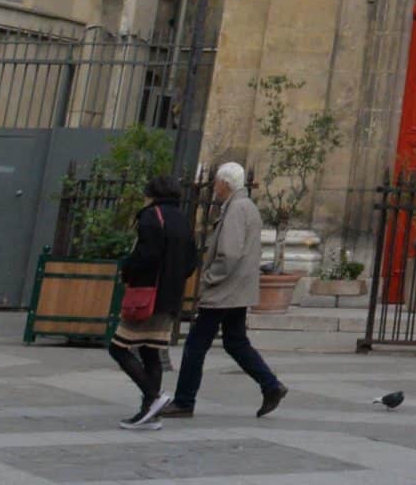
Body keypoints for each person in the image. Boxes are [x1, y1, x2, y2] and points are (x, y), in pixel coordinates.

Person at [157, 162, 285, 421]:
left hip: (225, 289)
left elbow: (230, 252)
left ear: (225, 184)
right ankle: (270, 385)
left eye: (216, 182)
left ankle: (184, 401)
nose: (214, 187)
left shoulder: (236, 208)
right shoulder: (246, 206)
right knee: (235, 341)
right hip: (238, 289)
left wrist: (210, 278)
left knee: (195, 345)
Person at [109, 175, 199, 429]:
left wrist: (126, 270)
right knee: (150, 351)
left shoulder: (151, 216)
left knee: (119, 348)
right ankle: (151, 414)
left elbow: (145, 254)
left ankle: (153, 398)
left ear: (151, 194)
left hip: (147, 295)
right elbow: (191, 261)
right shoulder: (183, 220)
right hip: (171, 297)